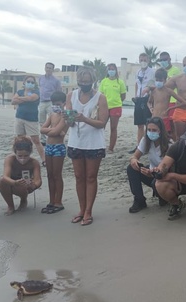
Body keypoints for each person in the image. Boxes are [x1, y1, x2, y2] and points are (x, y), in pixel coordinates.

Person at [65, 67, 109, 226]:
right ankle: (81, 209)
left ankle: (89, 211)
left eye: (87, 81)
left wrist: (84, 118)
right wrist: (68, 119)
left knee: (91, 177)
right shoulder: (71, 95)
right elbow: (69, 122)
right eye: (81, 81)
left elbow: (102, 123)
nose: (84, 84)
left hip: (94, 143)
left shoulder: (100, 97)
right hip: (76, 141)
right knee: (78, 177)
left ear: (92, 81)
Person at [127, 117, 170, 213]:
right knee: (131, 168)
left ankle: (163, 195)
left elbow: (168, 168)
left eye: (154, 130)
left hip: (165, 176)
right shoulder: (146, 140)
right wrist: (133, 160)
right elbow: (135, 156)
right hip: (151, 172)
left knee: (163, 200)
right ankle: (139, 200)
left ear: (160, 131)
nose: (151, 132)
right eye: (149, 130)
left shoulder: (169, 144)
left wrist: (153, 173)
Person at [39, 91, 69, 214]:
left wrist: (50, 130)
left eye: (57, 104)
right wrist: (52, 130)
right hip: (49, 147)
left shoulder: (65, 116)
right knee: (50, 175)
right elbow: (42, 129)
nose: (55, 106)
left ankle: (58, 201)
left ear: (63, 103)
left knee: (57, 175)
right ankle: (51, 201)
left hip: (58, 147)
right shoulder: (52, 115)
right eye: (53, 103)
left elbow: (56, 132)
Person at [0, 137, 43, 215]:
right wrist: (15, 182)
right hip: (12, 182)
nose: (23, 159)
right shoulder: (10, 159)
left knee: (24, 184)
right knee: (1, 181)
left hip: (26, 185)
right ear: (15, 153)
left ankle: (23, 200)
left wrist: (34, 185)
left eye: (26, 156)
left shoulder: (34, 162)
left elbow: (38, 180)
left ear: (30, 153)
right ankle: (10, 206)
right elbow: (5, 176)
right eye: (20, 156)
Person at [12, 75, 45, 163]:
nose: (30, 83)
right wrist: (25, 99)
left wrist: (19, 98)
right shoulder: (20, 91)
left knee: (36, 140)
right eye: (28, 81)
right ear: (24, 82)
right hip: (19, 117)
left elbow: (32, 98)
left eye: (32, 82)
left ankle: (44, 159)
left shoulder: (36, 92)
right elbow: (13, 101)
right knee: (19, 139)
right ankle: (19, 157)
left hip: (31, 119)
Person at [132, 53, 156, 153]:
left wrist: (150, 98)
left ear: (148, 60)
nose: (143, 62)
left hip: (147, 98)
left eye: (145, 60)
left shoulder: (152, 72)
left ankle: (148, 145)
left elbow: (152, 85)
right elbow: (137, 84)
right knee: (139, 124)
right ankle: (139, 146)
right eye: (141, 60)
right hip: (139, 99)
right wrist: (136, 96)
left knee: (148, 123)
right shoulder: (138, 72)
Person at [100, 63, 127, 152]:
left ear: (116, 70)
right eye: (110, 69)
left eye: (113, 69)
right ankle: (100, 145)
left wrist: (116, 101)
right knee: (101, 126)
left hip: (116, 106)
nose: (111, 71)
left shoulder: (120, 82)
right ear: (107, 71)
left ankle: (111, 148)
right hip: (104, 106)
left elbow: (123, 96)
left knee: (113, 128)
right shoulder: (104, 81)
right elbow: (100, 94)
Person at [157, 52, 183, 140]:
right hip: (163, 101)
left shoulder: (176, 71)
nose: (163, 61)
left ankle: (175, 143)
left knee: (173, 125)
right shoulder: (160, 71)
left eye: (165, 59)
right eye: (161, 60)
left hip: (172, 101)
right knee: (164, 125)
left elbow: (177, 86)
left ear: (169, 59)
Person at [38, 62, 63, 145]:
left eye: (50, 68)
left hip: (50, 102)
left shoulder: (56, 80)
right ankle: (43, 139)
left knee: (53, 120)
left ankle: (52, 135)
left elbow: (59, 91)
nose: (48, 69)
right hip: (42, 102)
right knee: (42, 121)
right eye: (47, 67)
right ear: (45, 68)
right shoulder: (41, 78)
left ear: (53, 70)